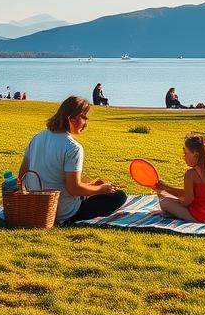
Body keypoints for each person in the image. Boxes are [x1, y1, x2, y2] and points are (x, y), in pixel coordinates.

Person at [18, 96, 126, 224]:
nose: (86, 124)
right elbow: (74, 189)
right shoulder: (73, 147)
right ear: (71, 118)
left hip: (36, 207)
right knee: (119, 196)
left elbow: (21, 176)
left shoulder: (37, 138)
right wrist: (102, 189)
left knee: (92, 189)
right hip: (62, 212)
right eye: (84, 118)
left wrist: (90, 185)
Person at [154, 134, 205, 223]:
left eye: (185, 153)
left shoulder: (191, 174)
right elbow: (192, 193)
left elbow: (188, 201)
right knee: (166, 197)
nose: (183, 157)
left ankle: (172, 214)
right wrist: (166, 188)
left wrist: (179, 202)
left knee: (164, 202)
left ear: (196, 155)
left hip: (199, 216)